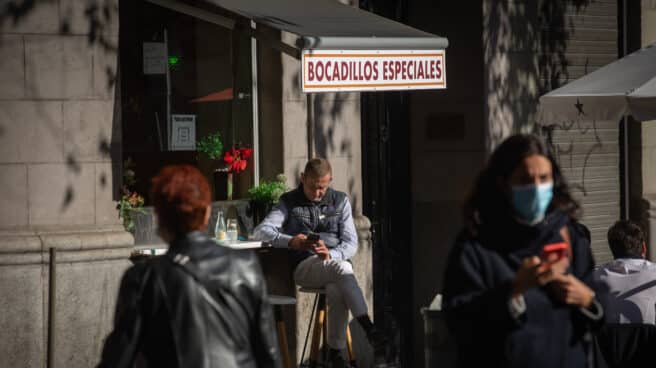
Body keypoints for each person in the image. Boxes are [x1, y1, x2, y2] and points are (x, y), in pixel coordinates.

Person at [442, 134, 605, 368]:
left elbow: (600, 312)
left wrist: (587, 300)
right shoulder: (477, 244)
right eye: (525, 180)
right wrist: (513, 292)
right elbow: (459, 322)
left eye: (543, 178)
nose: (536, 188)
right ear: (504, 183)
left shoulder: (568, 234)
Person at [98, 165, 280, 368]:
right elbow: (268, 353)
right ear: (207, 212)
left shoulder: (143, 277)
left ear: (159, 218)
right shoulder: (246, 265)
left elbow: (119, 358)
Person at [253, 158, 387, 367]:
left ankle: (336, 354)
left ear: (330, 181)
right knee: (343, 269)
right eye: (313, 187)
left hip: (333, 263)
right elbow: (260, 231)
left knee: (336, 287)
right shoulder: (288, 201)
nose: (317, 193)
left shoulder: (340, 200)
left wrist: (331, 254)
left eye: (322, 188)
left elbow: (351, 243)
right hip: (305, 266)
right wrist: (291, 242)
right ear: (302, 179)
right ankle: (369, 329)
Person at [595, 220, 656, 324]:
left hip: (608, 340)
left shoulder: (595, 277)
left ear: (612, 250)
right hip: (648, 339)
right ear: (644, 248)